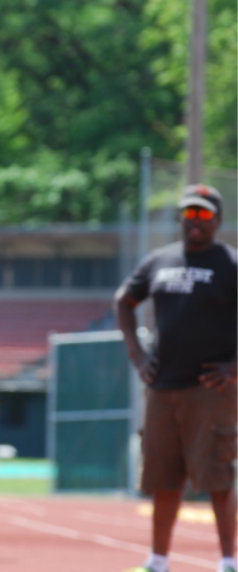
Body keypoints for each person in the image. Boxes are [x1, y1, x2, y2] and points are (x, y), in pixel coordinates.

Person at [115, 184, 237, 572]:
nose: (195, 221)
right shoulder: (159, 260)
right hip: (162, 387)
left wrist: (234, 366)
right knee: (163, 478)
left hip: (210, 389)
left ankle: (228, 562)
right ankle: (158, 561)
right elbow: (124, 301)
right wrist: (137, 355)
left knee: (217, 477)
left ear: (217, 220)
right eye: (189, 213)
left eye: (203, 214)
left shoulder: (230, 264)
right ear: (180, 218)